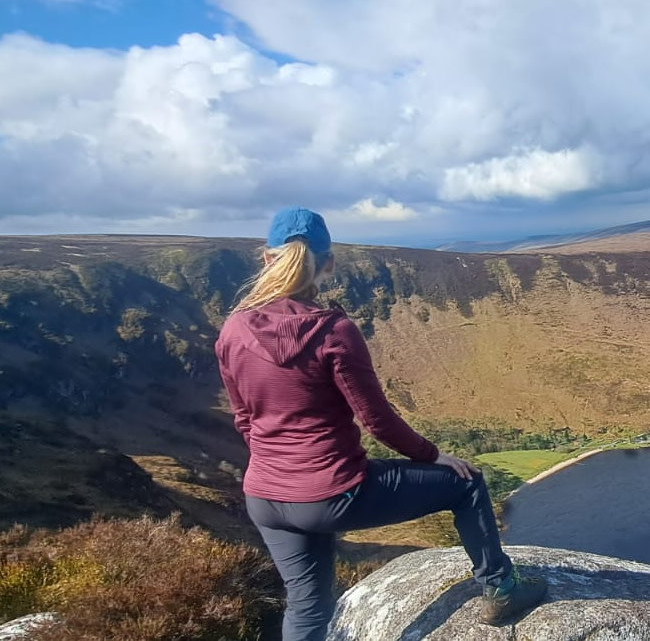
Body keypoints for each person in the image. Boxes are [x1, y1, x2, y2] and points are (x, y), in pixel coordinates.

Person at [215, 207, 547, 641]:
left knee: (307, 605)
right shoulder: (333, 331)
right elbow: (377, 421)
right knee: (467, 484)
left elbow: (245, 419)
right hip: (331, 491)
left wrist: (282, 471)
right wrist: (435, 456)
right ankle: (502, 588)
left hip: (265, 497)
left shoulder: (232, 330)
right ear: (329, 262)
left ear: (266, 259)